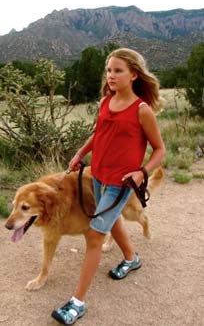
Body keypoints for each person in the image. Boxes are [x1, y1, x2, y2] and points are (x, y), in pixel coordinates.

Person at [51, 48, 165, 325]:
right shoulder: (106, 101)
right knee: (111, 222)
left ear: (134, 75)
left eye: (118, 71)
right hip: (98, 175)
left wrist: (142, 172)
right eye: (109, 70)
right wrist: (80, 153)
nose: (111, 76)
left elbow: (160, 150)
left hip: (121, 184)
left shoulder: (142, 110)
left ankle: (76, 304)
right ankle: (131, 258)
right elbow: (99, 133)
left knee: (93, 236)